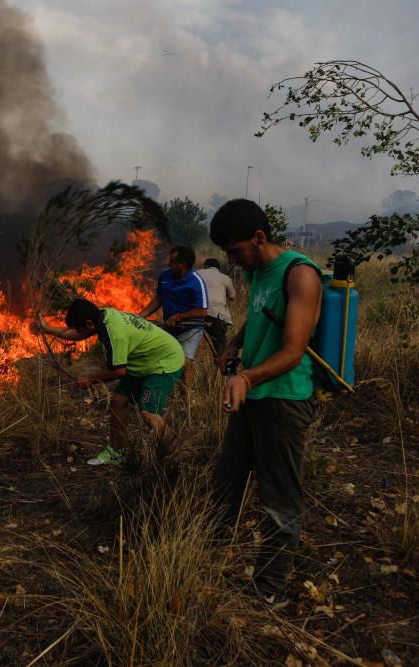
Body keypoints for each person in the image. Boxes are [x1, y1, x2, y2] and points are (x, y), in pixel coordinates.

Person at [208, 199, 323, 603]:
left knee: (279, 502)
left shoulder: (300, 274)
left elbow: (293, 351)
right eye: (227, 254)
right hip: (254, 394)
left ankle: (268, 592)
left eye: (236, 251)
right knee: (226, 483)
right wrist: (235, 345)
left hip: (283, 401)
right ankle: (205, 564)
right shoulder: (258, 271)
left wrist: (245, 376)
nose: (233, 261)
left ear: (259, 238)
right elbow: (260, 316)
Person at [38, 298, 185, 466]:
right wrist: (47, 329)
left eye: (78, 328)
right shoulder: (102, 315)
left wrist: (91, 380)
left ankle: (176, 454)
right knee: (118, 400)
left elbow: (119, 371)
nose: (77, 333)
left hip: (164, 362)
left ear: (89, 325)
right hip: (145, 361)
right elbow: (79, 334)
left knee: (148, 413)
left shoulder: (114, 333)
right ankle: (115, 452)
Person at [138, 246, 209, 386]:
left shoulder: (196, 282)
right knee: (154, 356)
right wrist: (142, 315)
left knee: (185, 361)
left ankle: (186, 398)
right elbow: (159, 298)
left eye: (172, 261)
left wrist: (179, 317)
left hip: (190, 329)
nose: (168, 264)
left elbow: (202, 311)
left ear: (183, 265)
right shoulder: (165, 276)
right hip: (168, 326)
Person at [196, 258, 237, 355]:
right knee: (220, 345)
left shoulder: (197, 273)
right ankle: (221, 364)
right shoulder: (225, 278)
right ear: (218, 268)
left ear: (206, 266)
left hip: (194, 313)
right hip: (215, 316)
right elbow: (232, 297)